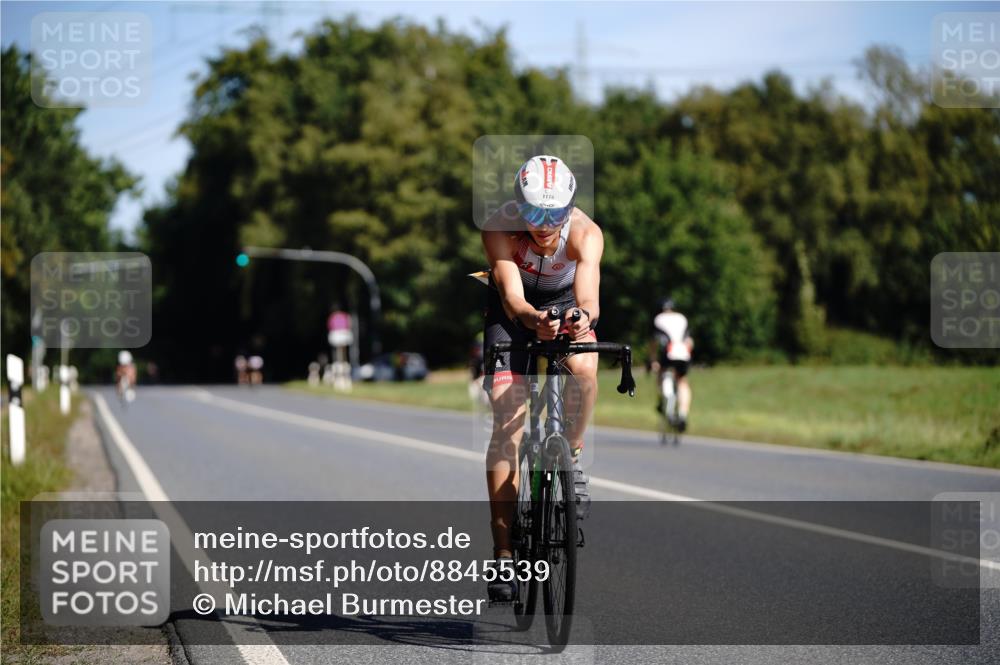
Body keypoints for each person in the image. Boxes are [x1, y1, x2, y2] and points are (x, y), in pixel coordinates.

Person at [481, 155, 603, 602]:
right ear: (518, 207)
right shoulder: (498, 228)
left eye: (555, 214)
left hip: (566, 302)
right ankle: (504, 553)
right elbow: (512, 299)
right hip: (513, 313)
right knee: (508, 417)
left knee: (586, 368)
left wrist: (579, 317)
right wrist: (534, 320)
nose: (544, 224)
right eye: (534, 213)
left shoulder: (587, 234)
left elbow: (590, 298)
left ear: (570, 207)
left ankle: (570, 451)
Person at [650, 298, 694, 431]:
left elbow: (654, 342)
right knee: (682, 382)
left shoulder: (658, 319)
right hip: (683, 353)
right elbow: (690, 340)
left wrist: (653, 360)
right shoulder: (682, 318)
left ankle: (662, 400)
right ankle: (682, 414)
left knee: (661, 374)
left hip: (668, 353)